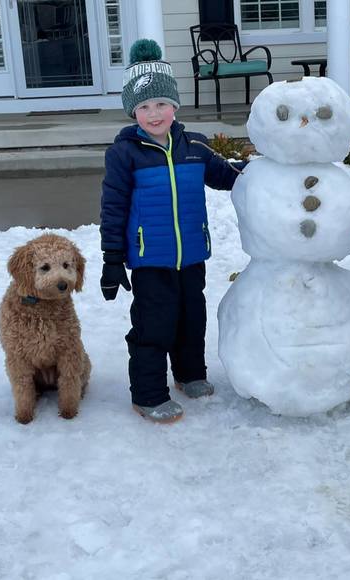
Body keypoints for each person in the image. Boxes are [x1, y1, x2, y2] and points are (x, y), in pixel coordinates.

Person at [100, 39, 244, 423]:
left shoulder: (194, 145)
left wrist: (266, 171)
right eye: (144, 106)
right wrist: (112, 258)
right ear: (133, 111)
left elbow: (228, 176)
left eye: (161, 103)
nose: (154, 113)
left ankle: (190, 374)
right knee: (154, 326)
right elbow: (113, 207)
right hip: (150, 259)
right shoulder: (124, 154)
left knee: (192, 318)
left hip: (192, 253)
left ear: (175, 106)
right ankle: (148, 395)